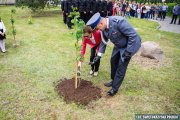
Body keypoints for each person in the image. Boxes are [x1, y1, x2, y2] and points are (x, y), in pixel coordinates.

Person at [86, 13, 141, 96]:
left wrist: (128, 52)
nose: (99, 30)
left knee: (121, 65)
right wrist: (99, 56)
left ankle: (115, 88)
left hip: (130, 44)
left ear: (101, 23)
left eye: (98, 28)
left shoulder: (119, 22)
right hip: (119, 44)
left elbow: (133, 36)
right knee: (113, 61)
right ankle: (113, 80)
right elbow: (103, 42)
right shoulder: (104, 28)